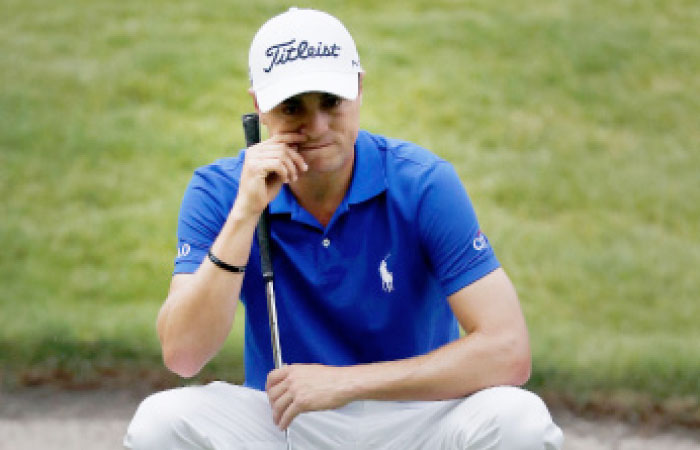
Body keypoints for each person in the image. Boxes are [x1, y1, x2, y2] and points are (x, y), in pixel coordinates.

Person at [124, 7, 563, 449]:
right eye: (293, 106)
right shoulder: (221, 191)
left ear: (358, 87)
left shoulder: (423, 183)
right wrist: (244, 214)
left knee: (519, 419)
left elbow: (508, 350)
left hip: (419, 416)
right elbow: (183, 355)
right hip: (288, 422)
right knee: (161, 423)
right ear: (259, 105)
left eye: (331, 101)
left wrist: (344, 383)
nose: (316, 127)